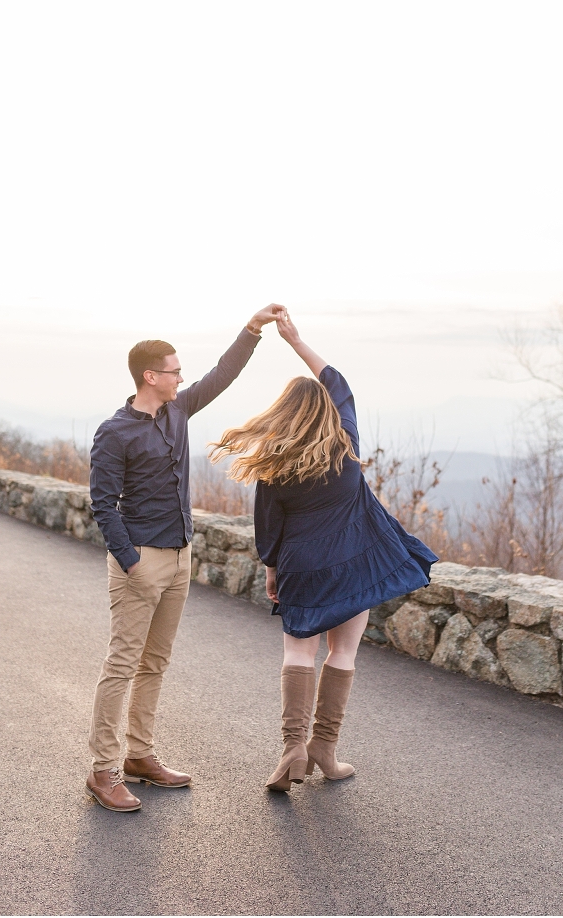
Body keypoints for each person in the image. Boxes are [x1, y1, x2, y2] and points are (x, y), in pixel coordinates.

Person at [209, 313, 438, 791]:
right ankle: (325, 749)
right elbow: (339, 384)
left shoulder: (274, 461)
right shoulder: (346, 444)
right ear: (327, 411)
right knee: (344, 651)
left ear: (283, 413)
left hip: (302, 566)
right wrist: (297, 341)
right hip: (355, 563)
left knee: (298, 650)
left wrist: (272, 570)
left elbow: (268, 526)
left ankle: (292, 748)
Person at [86, 303, 286, 812]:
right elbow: (102, 505)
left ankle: (140, 756)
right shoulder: (115, 432)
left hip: (180, 558)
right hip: (140, 562)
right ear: (151, 376)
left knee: (154, 663)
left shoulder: (178, 410)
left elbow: (224, 374)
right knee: (122, 665)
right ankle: (103, 770)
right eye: (174, 371)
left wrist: (252, 329)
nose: (182, 378)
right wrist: (130, 561)